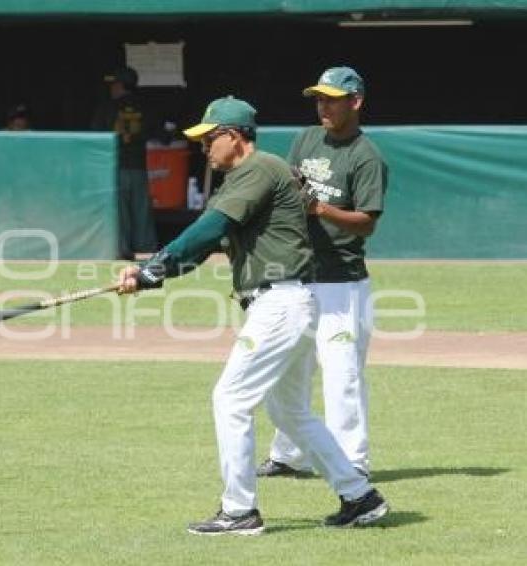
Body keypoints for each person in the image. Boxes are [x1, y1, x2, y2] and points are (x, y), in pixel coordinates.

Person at [117, 96, 388, 535]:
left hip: (280, 304)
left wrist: (154, 267)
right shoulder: (241, 181)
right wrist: (153, 271)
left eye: (209, 139)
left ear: (233, 136)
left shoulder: (259, 168)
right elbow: (203, 246)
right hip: (288, 304)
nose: (204, 148)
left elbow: (209, 229)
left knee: (231, 399)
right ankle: (360, 496)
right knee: (290, 412)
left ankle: (240, 509)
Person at [258, 67, 388, 479]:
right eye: (319, 98)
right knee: (290, 367)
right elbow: (291, 187)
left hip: (341, 281)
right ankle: (288, 455)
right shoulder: (306, 138)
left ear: (356, 101)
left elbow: (366, 221)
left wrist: (321, 209)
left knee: (341, 372)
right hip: (299, 275)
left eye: (332, 98)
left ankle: (352, 462)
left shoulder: (366, 156)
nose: (323, 106)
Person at [91, 65, 157, 260]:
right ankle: (147, 252)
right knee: (142, 212)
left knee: (120, 213)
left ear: (120, 85)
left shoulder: (106, 107)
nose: (112, 88)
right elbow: (160, 134)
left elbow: (95, 136)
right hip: (139, 167)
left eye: (114, 84)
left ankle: (122, 251)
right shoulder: (146, 107)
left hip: (116, 167)